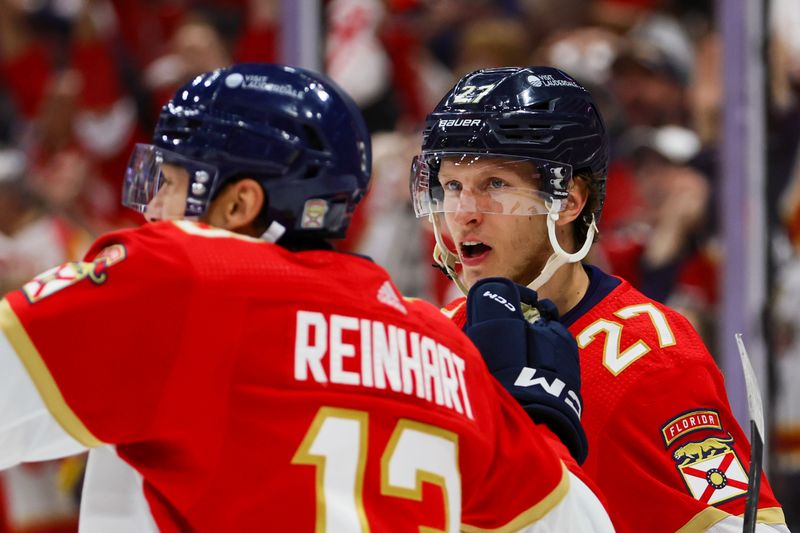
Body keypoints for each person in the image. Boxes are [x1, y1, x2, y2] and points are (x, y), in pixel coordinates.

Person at [0, 63, 613, 531]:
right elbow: (580, 523)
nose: (152, 206)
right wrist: (535, 428)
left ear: (239, 204)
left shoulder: (183, 279)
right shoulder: (442, 350)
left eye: (167, 180)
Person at [411, 65, 790, 532]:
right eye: (452, 186)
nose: (463, 214)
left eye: (495, 185)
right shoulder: (439, 341)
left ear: (568, 199)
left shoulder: (651, 360)